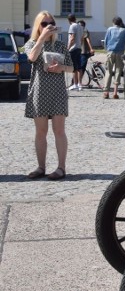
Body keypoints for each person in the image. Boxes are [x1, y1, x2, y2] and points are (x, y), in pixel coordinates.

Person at [23, 10, 73, 180]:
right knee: (40, 132)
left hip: (58, 91)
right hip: (39, 91)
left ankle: (61, 168)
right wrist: (42, 38)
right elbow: (31, 57)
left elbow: (71, 67)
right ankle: (41, 167)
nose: (48, 26)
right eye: (44, 24)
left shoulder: (60, 45)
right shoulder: (32, 43)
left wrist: (62, 68)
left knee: (59, 130)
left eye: (51, 23)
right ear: (38, 26)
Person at [103, 16, 125, 99]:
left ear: (113, 22)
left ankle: (106, 92)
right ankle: (115, 92)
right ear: (120, 23)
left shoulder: (109, 29)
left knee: (108, 71)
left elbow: (106, 41)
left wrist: (106, 50)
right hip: (120, 53)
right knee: (118, 71)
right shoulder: (124, 31)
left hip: (110, 52)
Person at [66, 14, 84, 91]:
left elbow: (72, 38)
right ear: (75, 19)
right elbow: (82, 38)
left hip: (73, 49)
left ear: (69, 20)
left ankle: (75, 84)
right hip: (79, 48)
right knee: (79, 67)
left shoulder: (72, 26)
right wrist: (80, 45)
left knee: (74, 67)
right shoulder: (80, 26)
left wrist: (68, 48)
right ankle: (80, 84)